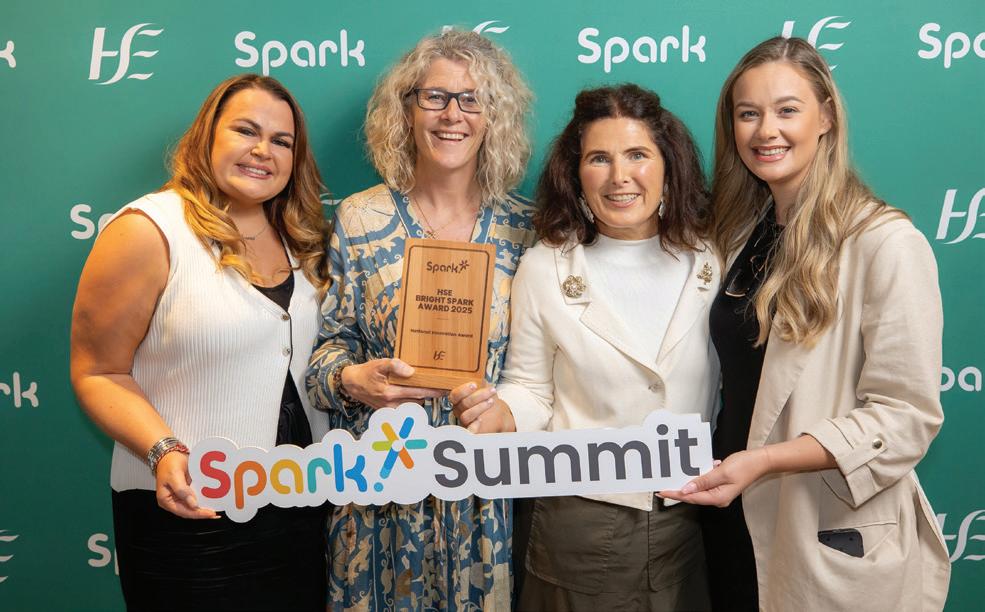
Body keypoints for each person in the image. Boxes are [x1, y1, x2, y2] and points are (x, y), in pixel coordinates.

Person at [660, 37, 951, 611]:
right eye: (749, 113)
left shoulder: (885, 243)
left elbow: (906, 417)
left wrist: (766, 461)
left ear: (827, 117)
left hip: (821, 528)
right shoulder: (739, 234)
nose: (766, 130)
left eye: (787, 110)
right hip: (728, 518)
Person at [451, 83, 719, 611]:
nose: (620, 176)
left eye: (637, 154)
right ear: (575, 175)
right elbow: (530, 388)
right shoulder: (545, 266)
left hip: (688, 518)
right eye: (599, 158)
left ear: (669, 165)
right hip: (580, 520)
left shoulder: (710, 256)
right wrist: (501, 414)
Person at [70, 74, 331, 610]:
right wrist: (163, 451)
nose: (263, 150)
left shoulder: (302, 238)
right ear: (208, 135)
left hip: (301, 511)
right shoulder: (148, 229)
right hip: (190, 514)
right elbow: (98, 372)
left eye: (282, 141)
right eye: (246, 130)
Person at [305, 29, 535, 610]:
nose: (452, 114)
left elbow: (542, 376)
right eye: (435, 97)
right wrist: (353, 380)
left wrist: (507, 408)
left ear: (494, 116)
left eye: (472, 99)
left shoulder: (526, 230)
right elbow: (325, 354)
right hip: (379, 495)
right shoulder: (360, 219)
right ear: (406, 109)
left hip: (485, 501)